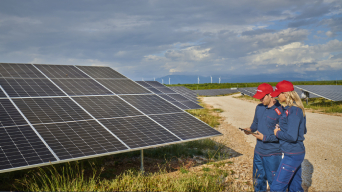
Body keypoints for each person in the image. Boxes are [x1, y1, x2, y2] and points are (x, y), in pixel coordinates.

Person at [243, 83, 283, 191]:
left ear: (270, 95)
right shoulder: (259, 107)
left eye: (262, 97)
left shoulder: (280, 111)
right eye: (259, 97)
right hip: (258, 152)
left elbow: (282, 136)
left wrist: (264, 138)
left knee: (274, 183)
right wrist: (250, 130)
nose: (260, 100)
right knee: (258, 181)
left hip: (273, 154)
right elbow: (255, 124)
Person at [270, 80, 307, 192]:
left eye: (278, 94)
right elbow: (303, 130)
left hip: (292, 154)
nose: (277, 97)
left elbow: (292, 137)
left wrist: (277, 132)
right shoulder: (293, 110)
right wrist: (285, 128)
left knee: (276, 187)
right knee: (295, 187)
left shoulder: (294, 111)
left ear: (285, 94)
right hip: (294, 153)